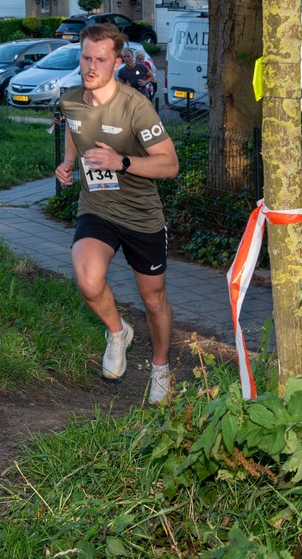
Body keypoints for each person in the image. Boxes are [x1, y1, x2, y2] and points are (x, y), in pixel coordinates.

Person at [54, 23, 180, 403]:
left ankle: (160, 367)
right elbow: (75, 128)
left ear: (116, 62)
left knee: (154, 299)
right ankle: (117, 331)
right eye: (86, 58)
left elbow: (170, 165)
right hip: (97, 207)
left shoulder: (135, 107)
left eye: (100, 59)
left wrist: (120, 160)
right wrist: (69, 162)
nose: (91, 66)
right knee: (88, 281)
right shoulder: (71, 100)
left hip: (142, 216)